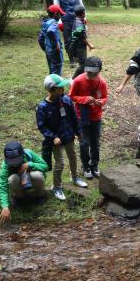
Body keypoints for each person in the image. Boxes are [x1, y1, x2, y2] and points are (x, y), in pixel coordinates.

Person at [36, 74, 88, 202]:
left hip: (68, 135)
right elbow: (42, 127)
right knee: (60, 163)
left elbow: (74, 118)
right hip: (56, 140)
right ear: (52, 90)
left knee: (73, 156)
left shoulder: (66, 100)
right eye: (60, 88)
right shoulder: (42, 107)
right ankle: (57, 187)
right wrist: (52, 137)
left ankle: (75, 177)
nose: (63, 89)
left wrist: (78, 132)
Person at [69, 57, 108, 179]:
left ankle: (94, 165)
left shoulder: (102, 83)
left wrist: (100, 102)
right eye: (89, 71)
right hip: (82, 116)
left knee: (95, 143)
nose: (91, 74)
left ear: (99, 71)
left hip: (96, 116)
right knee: (84, 143)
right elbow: (71, 96)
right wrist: (84, 99)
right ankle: (86, 166)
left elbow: (105, 97)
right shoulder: (78, 80)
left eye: (94, 72)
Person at [0, 141, 49, 224]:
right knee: (11, 179)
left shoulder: (29, 153)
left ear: (22, 154)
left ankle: (40, 195)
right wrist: (5, 207)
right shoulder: (5, 166)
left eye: (16, 161)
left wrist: (30, 165)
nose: (14, 164)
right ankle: (20, 197)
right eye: (12, 161)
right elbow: (2, 186)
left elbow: (45, 167)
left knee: (37, 175)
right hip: (17, 181)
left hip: (32, 177)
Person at [53, 0, 85, 66]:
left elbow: (81, 5)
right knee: (68, 40)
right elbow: (56, 9)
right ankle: (71, 59)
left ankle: (77, 56)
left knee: (78, 38)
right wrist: (59, 22)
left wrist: (84, 17)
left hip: (77, 19)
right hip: (65, 20)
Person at [39, 4, 66, 76]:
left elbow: (40, 39)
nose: (60, 17)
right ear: (55, 14)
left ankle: (51, 84)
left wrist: (45, 48)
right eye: (59, 14)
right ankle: (56, 86)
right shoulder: (54, 23)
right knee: (57, 69)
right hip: (54, 51)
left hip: (48, 50)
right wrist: (56, 44)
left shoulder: (45, 23)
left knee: (52, 69)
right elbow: (50, 31)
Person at [70, 5, 94, 79]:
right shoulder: (79, 23)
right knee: (83, 64)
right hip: (79, 47)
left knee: (82, 63)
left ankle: (82, 78)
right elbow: (82, 37)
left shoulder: (77, 21)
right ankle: (74, 79)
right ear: (83, 13)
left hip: (77, 46)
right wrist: (90, 45)